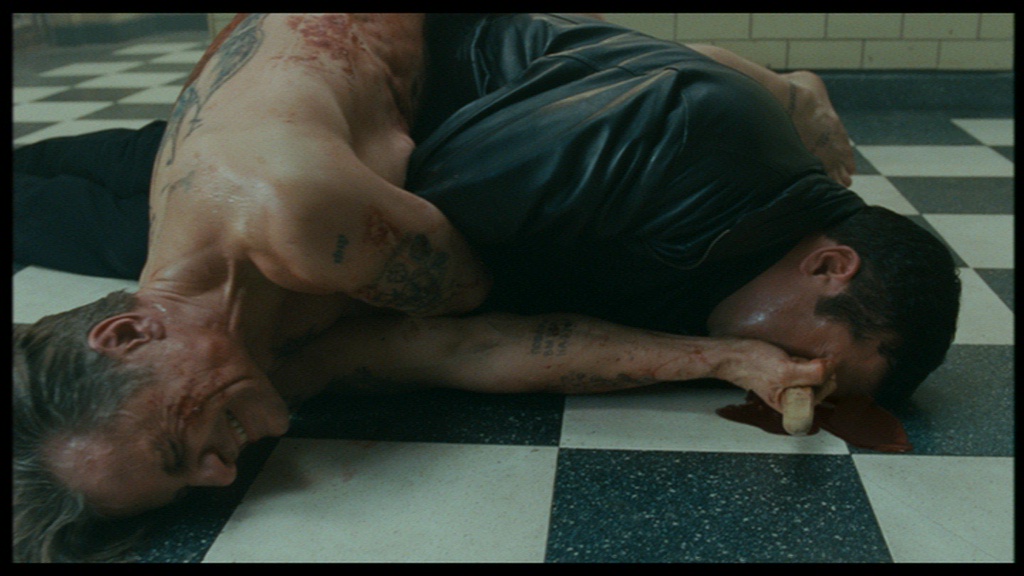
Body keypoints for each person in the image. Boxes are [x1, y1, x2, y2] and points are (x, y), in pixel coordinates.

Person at [13, 14, 960, 562]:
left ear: (126, 337)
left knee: (76, 203)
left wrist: (721, 349)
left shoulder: (301, 221)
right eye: (186, 474)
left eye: (179, 449)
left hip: (351, 95)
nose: (222, 476)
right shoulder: (264, 301)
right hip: (318, 103)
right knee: (85, 188)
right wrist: (721, 353)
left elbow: (474, 320)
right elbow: (460, 340)